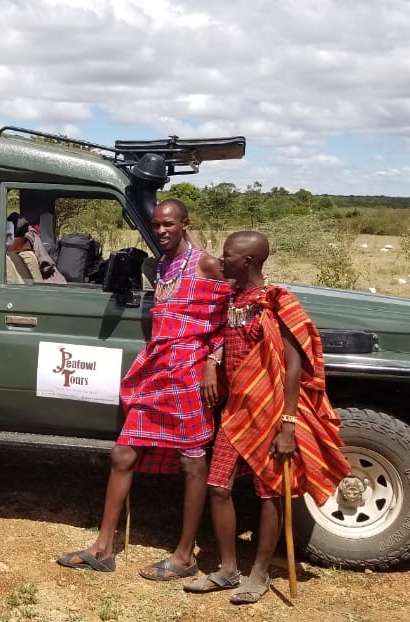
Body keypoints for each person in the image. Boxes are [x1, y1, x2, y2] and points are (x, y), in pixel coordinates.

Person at [58, 199, 230, 581]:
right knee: (123, 453)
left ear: (185, 224)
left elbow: (234, 313)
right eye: (156, 226)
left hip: (189, 372)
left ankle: (185, 556)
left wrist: (213, 361)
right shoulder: (163, 267)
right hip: (157, 371)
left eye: (169, 225)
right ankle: (103, 548)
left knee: (192, 462)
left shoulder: (205, 264)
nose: (162, 231)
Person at [185, 230, 349, 604]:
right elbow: (226, 341)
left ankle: (259, 573)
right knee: (218, 487)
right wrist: (213, 361)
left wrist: (288, 425)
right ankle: (227, 569)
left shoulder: (276, 302)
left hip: (272, 412)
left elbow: (294, 366)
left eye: (227, 256)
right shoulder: (235, 296)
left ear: (247, 262)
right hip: (237, 410)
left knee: (271, 493)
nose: (221, 261)